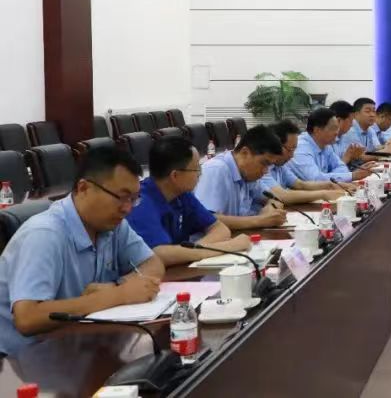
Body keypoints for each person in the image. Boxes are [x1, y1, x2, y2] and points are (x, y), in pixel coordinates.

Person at [0, 148, 166, 355]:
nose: (127, 209)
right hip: (21, 360)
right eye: (121, 197)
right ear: (84, 188)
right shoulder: (44, 234)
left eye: (133, 199)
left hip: (77, 344)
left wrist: (116, 286)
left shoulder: (112, 225)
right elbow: (28, 318)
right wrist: (118, 295)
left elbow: (153, 264)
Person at [126, 136, 251, 267]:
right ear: (175, 175)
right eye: (196, 169)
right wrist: (228, 247)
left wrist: (192, 251)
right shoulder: (140, 202)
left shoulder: (182, 194)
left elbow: (219, 228)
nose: (200, 174)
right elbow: (159, 255)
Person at [194, 125, 287, 230]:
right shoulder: (216, 170)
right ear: (245, 153)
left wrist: (271, 207)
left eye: (269, 166)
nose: (265, 171)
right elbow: (205, 219)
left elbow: (271, 198)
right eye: (264, 163)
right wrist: (260, 220)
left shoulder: (247, 174)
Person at [262, 120, 353, 204]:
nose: (292, 156)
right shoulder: (262, 168)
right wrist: (323, 194)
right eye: (290, 150)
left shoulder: (280, 166)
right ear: (277, 146)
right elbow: (282, 196)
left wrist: (331, 185)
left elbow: (300, 184)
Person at [287, 107, 372, 184]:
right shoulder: (301, 148)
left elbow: (342, 167)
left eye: (337, 128)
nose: (336, 132)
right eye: (333, 128)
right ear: (317, 130)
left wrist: (326, 176)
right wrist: (353, 175)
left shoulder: (325, 145)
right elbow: (315, 179)